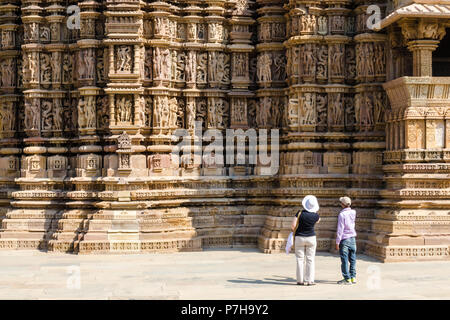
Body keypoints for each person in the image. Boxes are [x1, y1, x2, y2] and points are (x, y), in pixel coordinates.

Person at [291, 195, 320, 286]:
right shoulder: (316, 215)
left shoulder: (299, 213)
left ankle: (300, 280)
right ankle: (309, 280)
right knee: (310, 259)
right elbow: (318, 220)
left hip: (299, 237)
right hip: (311, 238)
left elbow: (293, 226)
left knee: (299, 259)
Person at [335, 196, 357, 285]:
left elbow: (340, 229)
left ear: (343, 204)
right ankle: (353, 277)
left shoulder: (342, 214)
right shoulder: (353, 212)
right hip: (353, 238)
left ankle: (347, 279)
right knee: (352, 259)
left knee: (344, 260)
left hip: (344, 239)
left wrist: (337, 242)